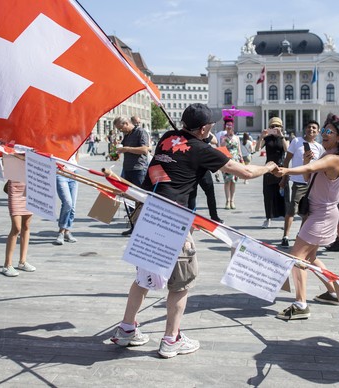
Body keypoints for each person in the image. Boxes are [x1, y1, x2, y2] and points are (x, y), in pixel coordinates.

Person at [110, 103, 277, 358]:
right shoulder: (202, 150)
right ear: (204, 127)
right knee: (181, 283)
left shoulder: (167, 138)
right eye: (211, 125)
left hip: (147, 212)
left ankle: (126, 329)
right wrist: (268, 167)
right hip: (171, 220)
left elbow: (183, 153)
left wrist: (204, 140)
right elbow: (244, 171)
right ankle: (171, 339)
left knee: (143, 277)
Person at [273, 115, 339, 320]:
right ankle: (333, 291)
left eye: (329, 132)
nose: (324, 135)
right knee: (309, 258)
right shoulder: (327, 155)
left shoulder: (334, 158)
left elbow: (308, 170)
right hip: (320, 213)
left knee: (296, 258)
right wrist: (309, 162)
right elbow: (310, 177)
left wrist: (286, 170)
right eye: (324, 131)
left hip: (322, 215)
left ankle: (301, 304)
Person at [279, 120, 324, 247]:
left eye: (314, 128)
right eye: (309, 127)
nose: (311, 130)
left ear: (318, 131)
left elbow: (320, 166)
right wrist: (284, 178)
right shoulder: (297, 142)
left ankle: (301, 235)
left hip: (311, 184)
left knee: (307, 211)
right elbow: (287, 160)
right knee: (292, 209)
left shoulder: (319, 147)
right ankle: (286, 236)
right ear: (305, 129)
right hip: (298, 182)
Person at [113, 116, 151, 236]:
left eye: (120, 128)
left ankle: (143, 228)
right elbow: (122, 150)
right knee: (129, 198)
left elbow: (145, 149)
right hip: (128, 169)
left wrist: (126, 149)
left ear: (126, 123)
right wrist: (116, 152)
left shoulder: (141, 132)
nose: (120, 131)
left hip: (139, 169)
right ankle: (134, 226)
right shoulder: (127, 135)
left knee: (140, 199)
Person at [256, 117, 289, 228]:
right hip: (269, 168)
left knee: (283, 195)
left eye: (277, 126)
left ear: (281, 127)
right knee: (268, 194)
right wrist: (261, 136)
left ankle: (285, 219)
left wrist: (282, 136)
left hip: (281, 168)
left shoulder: (284, 138)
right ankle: (268, 218)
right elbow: (257, 149)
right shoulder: (267, 138)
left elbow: (287, 150)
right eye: (272, 126)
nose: (275, 128)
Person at [188, 131, 224, 223]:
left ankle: (212, 216)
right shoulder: (203, 133)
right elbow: (215, 141)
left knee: (198, 194)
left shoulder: (194, 133)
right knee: (198, 194)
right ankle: (212, 216)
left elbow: (215, 141)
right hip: (200, 167)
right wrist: (208, 131)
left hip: (196, 167)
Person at [2, 180, 35, 277]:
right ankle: (7, 265)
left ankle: (22, 261)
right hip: (15, 186)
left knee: (26, 225)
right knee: (16, 227)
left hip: (30, 184)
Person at [54, 153, 79, 245]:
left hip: (73, 173)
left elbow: (77, 153)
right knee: (67, 202)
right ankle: (61, 231)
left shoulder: (75, 138)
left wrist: (75, 165)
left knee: (72, 206)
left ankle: (67, 231)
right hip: (60, 172)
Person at [219, 116, 243, 209]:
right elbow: (221, 149)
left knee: (233, 181)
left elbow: (239, 150)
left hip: (236, 161)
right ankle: (227, 201)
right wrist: (224, 141)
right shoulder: (223, 137)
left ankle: (232, 201)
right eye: (227, 125)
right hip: (226, 162)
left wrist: (242, 161)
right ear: (225, 126)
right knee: (227, 181)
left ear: (233, 126)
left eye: (231, 125)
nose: (229, 127)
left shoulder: (237, 138)